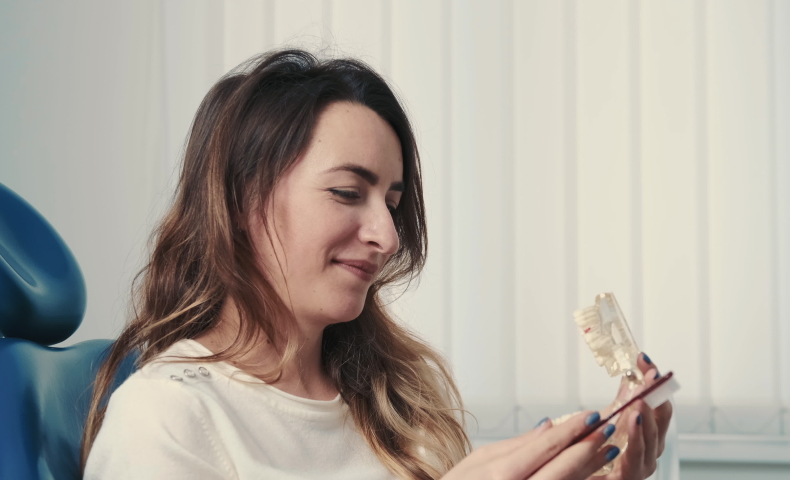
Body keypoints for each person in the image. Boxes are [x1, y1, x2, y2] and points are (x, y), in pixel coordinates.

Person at [81, 49, 672, 479]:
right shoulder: (166, 417)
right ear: (240, 199)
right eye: (346, 193)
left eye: (392, 203)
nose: (388, 237)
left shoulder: (401, 399)